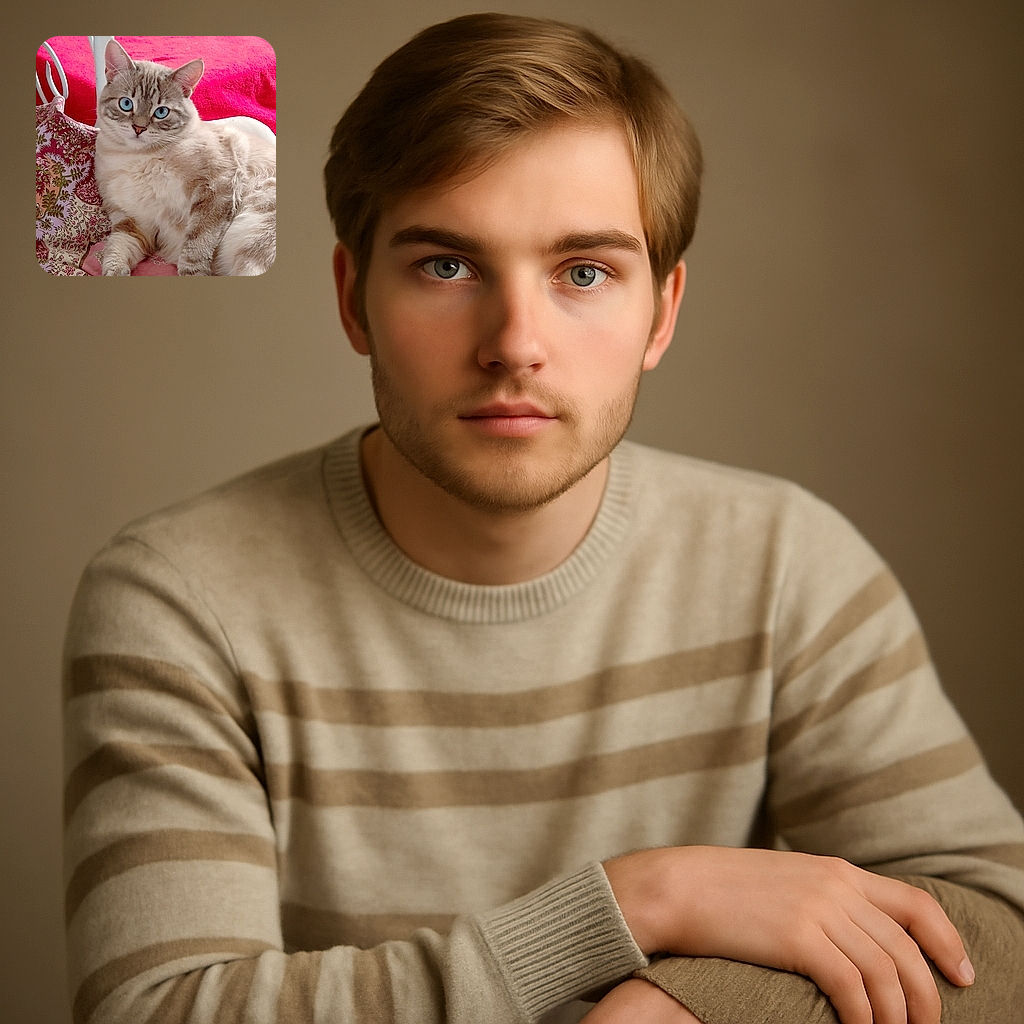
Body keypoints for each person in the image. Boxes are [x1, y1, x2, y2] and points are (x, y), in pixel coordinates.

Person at [63, 13, 1024, 1024]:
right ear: (354, 300)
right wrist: (648, 899)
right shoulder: (177, 597)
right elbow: (160, 1011)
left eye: (583, 271)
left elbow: (998, 931)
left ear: (661, 312)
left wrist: (679, 1009)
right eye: (446, 264)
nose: (514, 343)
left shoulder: (787, 565)